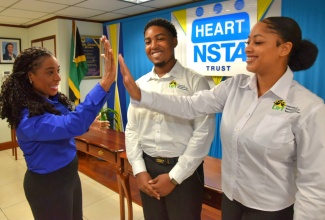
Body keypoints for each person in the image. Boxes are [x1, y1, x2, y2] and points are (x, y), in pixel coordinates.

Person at [119, 16, 325, 220]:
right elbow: (191, 105)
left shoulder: (309, 107)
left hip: (271, 210)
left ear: (284, 48)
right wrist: (141, 95)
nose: (248, 48)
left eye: (258, 42)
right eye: (248, 41)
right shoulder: (236, 86)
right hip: (232, 201)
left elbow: (314, 184)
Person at [0, 36, 116, 220]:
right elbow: (72, 124)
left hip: (69, 176)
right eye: (49, 72)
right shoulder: (29, 118)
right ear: (30, 76)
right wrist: (105, 82)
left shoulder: (50, 101)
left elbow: (70, 122)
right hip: (48, 186)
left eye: (58, 71)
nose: (58, 77)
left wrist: (89, 123)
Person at [125, 18, 215, 220]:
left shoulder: (195, 81)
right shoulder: (140, 85)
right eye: (148, 41)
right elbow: (131, 129)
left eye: (160, 39)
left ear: (174, 41)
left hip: (184, 171)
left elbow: (204, 133)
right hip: (149, 170)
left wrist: (174, 178)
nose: (153, 46)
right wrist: (139, 170)